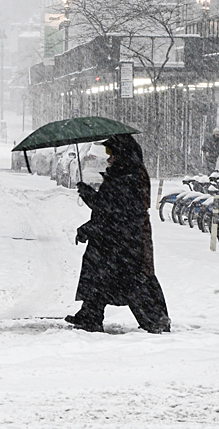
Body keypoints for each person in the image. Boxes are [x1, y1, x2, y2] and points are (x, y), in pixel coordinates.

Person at [66, 134, 170, 334]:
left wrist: (89, 227)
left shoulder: (128, 179)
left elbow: (116, 214)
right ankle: (90, 315)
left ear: (123, 154)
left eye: (111, 153)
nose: (109, 158)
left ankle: (155, 319)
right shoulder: (125, 175)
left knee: (133, 281)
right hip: (117, 240)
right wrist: (88, 194)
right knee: (100, 276)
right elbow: (108, 207)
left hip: (124, 241)